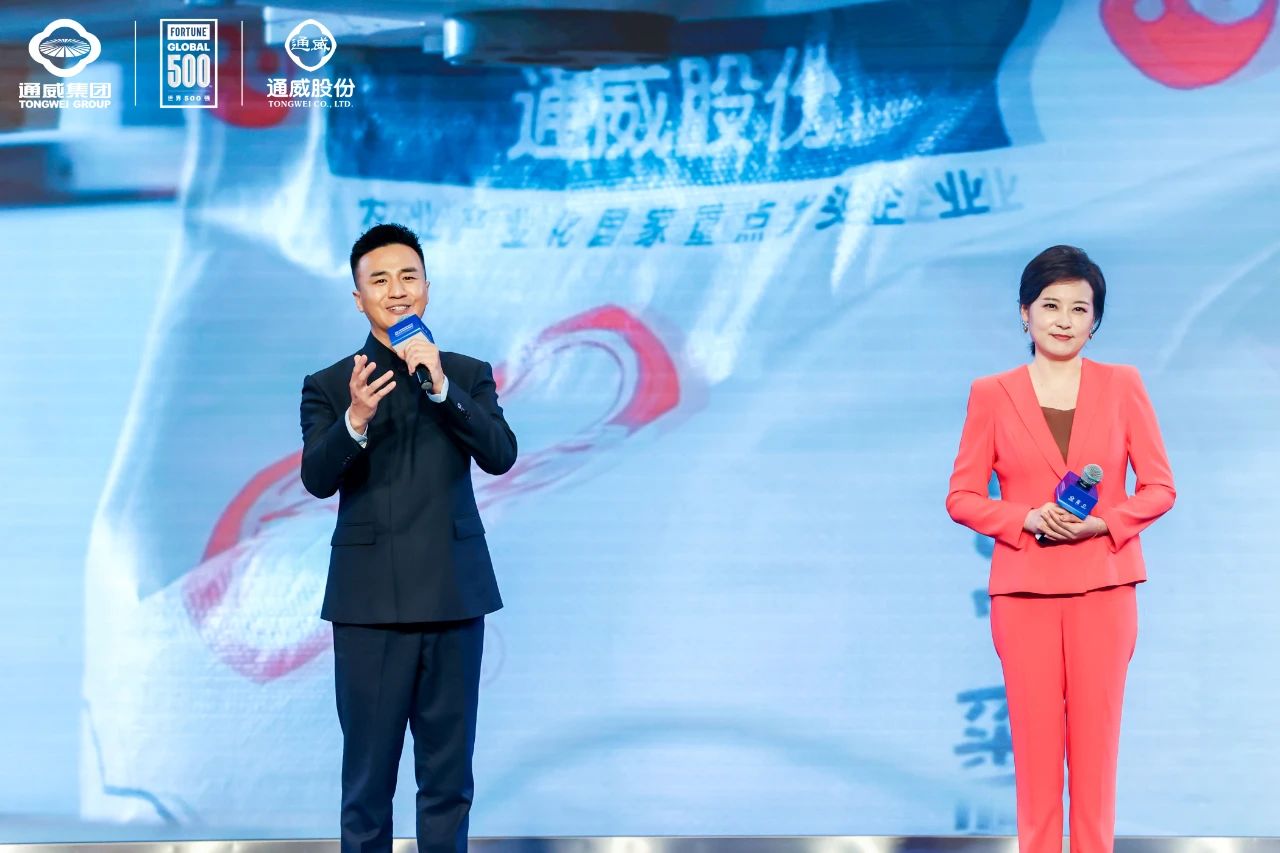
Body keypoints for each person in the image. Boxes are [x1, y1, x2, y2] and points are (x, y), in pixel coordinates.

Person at [946, 245, 1175, 853]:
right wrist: (1023, 516)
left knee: (1097, 753)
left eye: (1080, 308)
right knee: (1035, 752)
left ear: (1095, 320)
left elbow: (1159, 487)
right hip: (1024, 593)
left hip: (1105, 587)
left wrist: (1103, 524)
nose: (1064, 320)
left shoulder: (1122, 385)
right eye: (1050, 305)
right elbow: (962, 496)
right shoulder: (992, 393)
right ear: (1024, 313)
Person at [300, 223, 517, 853]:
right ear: (358, 298)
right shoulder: (330, 384)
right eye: (380, 280)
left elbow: (501, 455)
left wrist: (442, 388)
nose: (396, 291)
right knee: (367, 786)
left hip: (453, 596)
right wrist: (355, 419)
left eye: (408, 277)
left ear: (426, 287)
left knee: (448, 783)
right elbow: (317, 479)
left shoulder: (467, 374)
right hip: (369, 607)